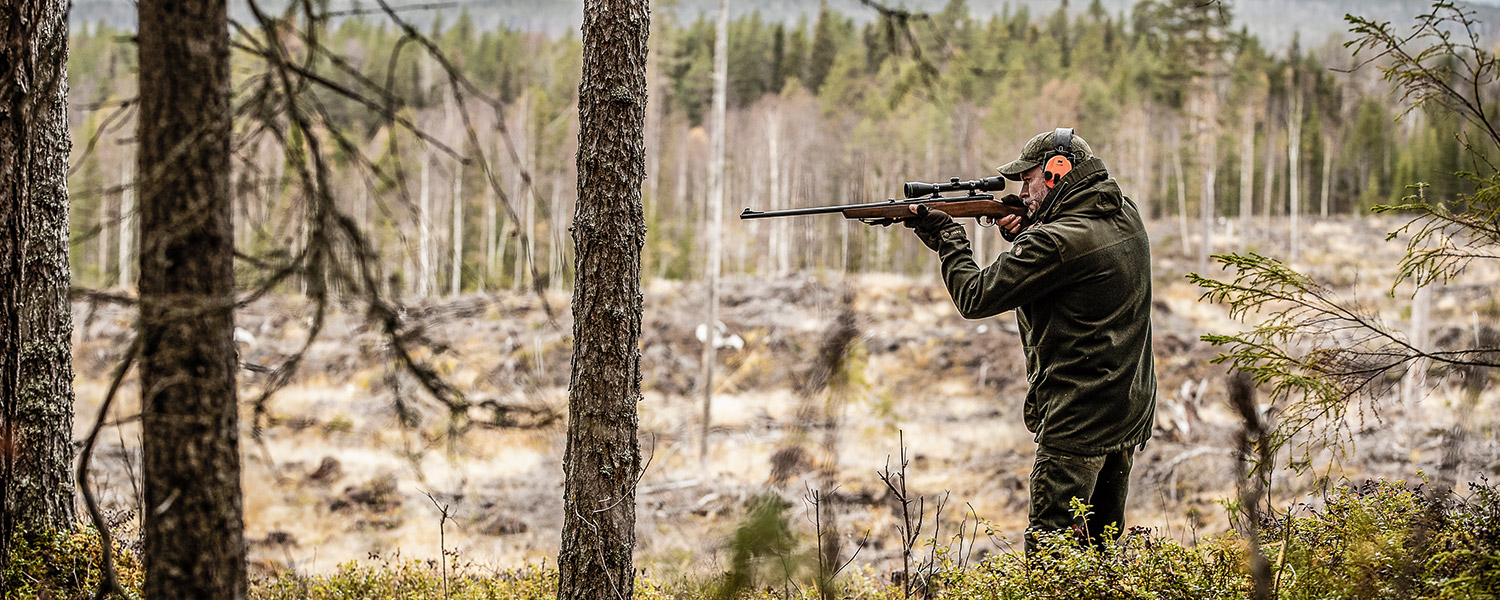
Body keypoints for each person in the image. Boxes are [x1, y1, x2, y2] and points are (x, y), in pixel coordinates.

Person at [904, 128, 1157, 553]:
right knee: (1101, 550)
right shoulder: (1122, 212)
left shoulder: (1055, 240)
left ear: (1058, 172)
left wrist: (949, 239)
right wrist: (1027, 231)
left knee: (1050, 558)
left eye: (1028, 178)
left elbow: (975, 296)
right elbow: (1071, 269)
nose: (1022, 190)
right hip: (1126, 408)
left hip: (1076, 421)